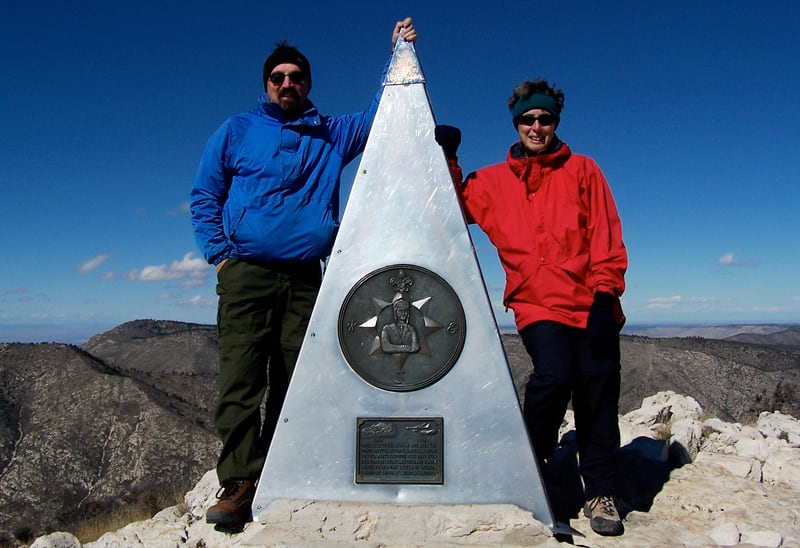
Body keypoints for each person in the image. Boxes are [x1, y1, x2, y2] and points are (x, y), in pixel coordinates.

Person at [190, 18, 417, 529]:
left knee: (298, 381)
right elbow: (205, 195)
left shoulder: (330, 133)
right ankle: (239, 481)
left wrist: (397, 52)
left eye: (296, 76)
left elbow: (383, 115)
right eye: (278, 77)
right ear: (266, 85)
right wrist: (221, 256)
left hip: (306, 277)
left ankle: (279, 467)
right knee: (242, 379)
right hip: (246, 273)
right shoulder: (237, 130)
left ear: (308, 84)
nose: (287, 83)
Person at [435, 78, 627, 536]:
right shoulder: (492, 182)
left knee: (597, 394)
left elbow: (606, 232)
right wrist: (447, 157)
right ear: (516, 123)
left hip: (593, 302)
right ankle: (530, 462)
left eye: (545, 118)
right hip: (537, 302)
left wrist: (606, 292)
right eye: (528, 119)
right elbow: (450, 206)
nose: (536, 126)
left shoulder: (583, 169)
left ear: (555, 121)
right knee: (555, 375)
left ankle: (600, 491)